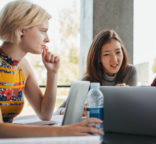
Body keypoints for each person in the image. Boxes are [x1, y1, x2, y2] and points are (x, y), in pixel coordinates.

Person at [0, 0, 102, 137]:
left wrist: (52, 72)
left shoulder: (22, 65)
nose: (47, 39)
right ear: (21, 29)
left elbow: (45, 114)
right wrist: (61, 131)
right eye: (43, 31)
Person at [56, 29, 137, 114]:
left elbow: (131, 109)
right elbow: (58, 110)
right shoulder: (87, 80)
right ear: (98, 58)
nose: (114, 59)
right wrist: (79, 110)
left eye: (118, 52)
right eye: (107, 54)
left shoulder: (130, 72)